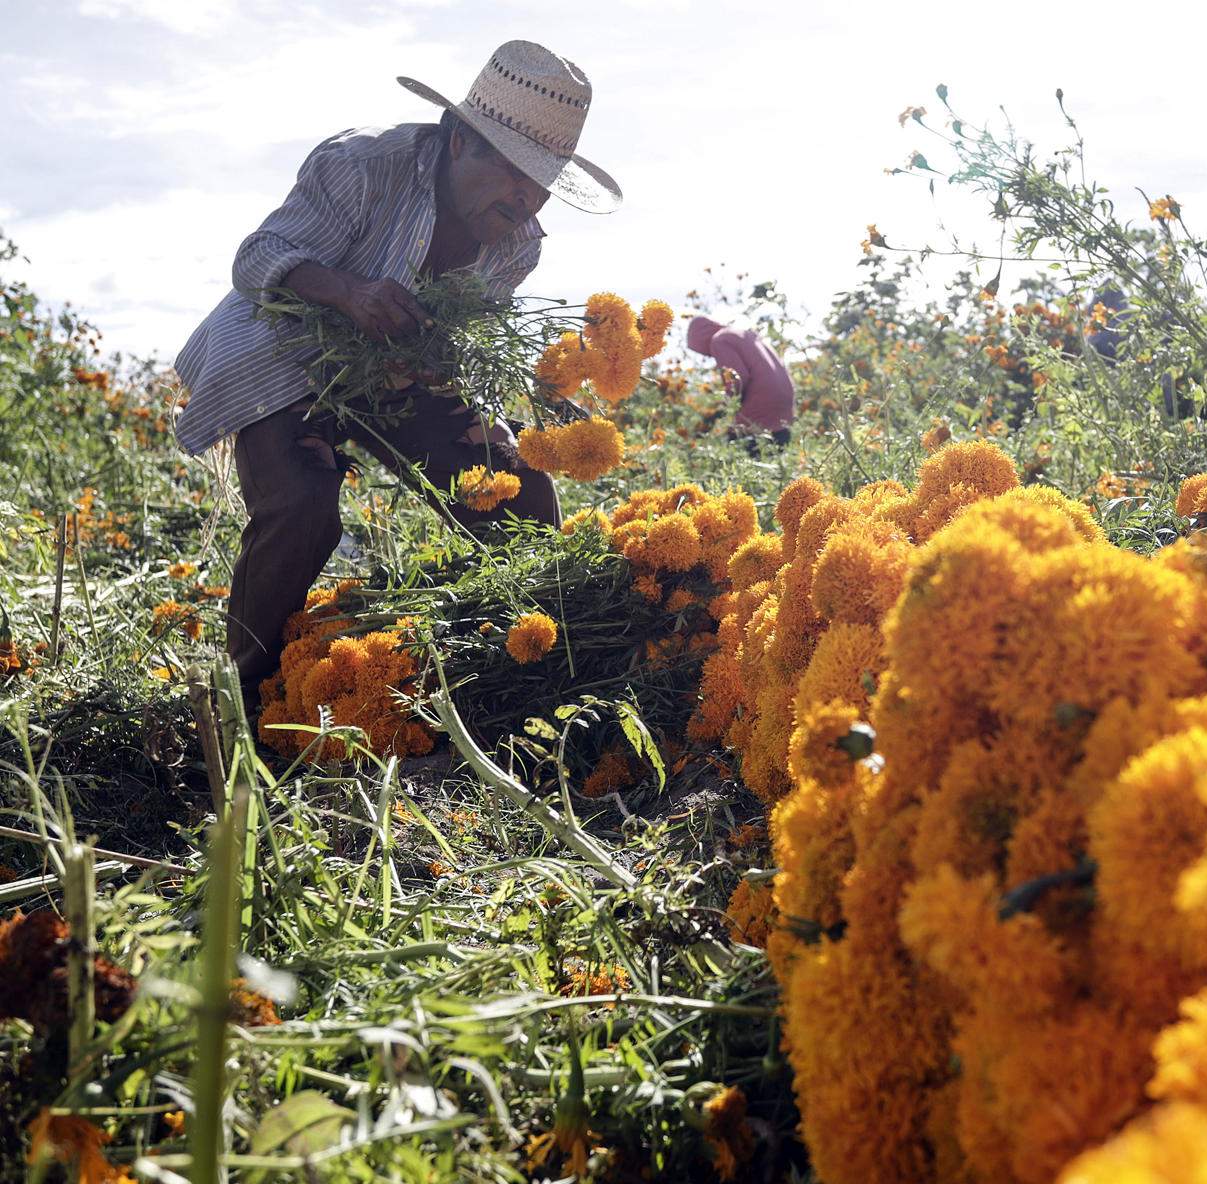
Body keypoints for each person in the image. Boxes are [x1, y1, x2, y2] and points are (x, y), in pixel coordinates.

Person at [172, 40, 622, 713]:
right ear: (461, 142)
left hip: (390, 372)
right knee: (301, 506)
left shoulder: (516, 240)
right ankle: (235, 708)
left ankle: (519, 668)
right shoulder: (362, 164)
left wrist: (455, 379)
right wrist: (350, 294)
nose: (526, 197)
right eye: (512, 170)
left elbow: (461, 343)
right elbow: (258, 256)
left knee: (516, 488)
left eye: (542, 181)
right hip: (287, 347)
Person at [685, 316, 794, 449]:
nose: (708, 355)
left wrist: (725, 408)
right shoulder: (744, 333)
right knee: (777, 450)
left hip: (762, 399)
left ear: (701, 340)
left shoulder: (719, 340)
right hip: (784, 398)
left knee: (736, 447)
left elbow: (737, 378)